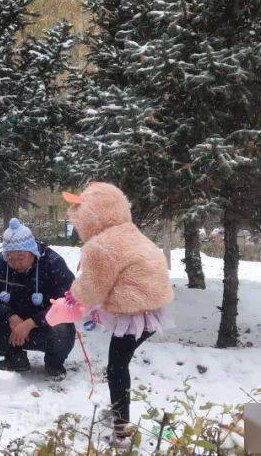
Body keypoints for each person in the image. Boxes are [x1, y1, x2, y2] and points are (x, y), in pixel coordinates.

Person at [62, 182, 174, 449]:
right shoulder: (128, 232)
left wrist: (73, 293)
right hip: (152, 306)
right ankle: (119, 418)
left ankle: (121, 430)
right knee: (119, 363)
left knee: (116, 367)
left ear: (91, 215)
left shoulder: (100, 247)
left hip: (134, 311)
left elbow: (91, 289)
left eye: (79, 215)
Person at [0, 218, 76, 379]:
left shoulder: (53, 262)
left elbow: (68, 301)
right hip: (12, 327)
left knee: (63, 329)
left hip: (44, 327)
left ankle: (54, 361)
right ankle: (14, 358)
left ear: (32, 252)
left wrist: (32, 322)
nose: (16, 264)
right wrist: (9, 316)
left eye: (20, 258)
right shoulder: (1, 262)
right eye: (10, 259)